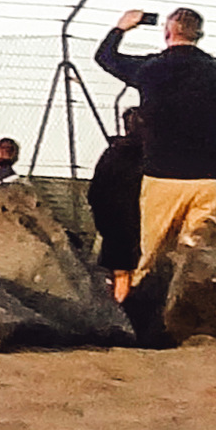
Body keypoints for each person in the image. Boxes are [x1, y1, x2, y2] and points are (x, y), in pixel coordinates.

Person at [95, 7, 216, 285]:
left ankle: (142, 318)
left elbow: (105, 58)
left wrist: (121, 27)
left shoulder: (151, 69)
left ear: (168, 32)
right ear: (200, 34)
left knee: (149, 260)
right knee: (202, 264)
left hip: (162, 176)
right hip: (209, 179)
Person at [87, 108, 146, 301]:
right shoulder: (152, 156)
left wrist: (103, 222)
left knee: (119, 272)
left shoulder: (113, 154)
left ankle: (119, 307)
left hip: (115, 221)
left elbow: (95, 191)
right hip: (139, 221)